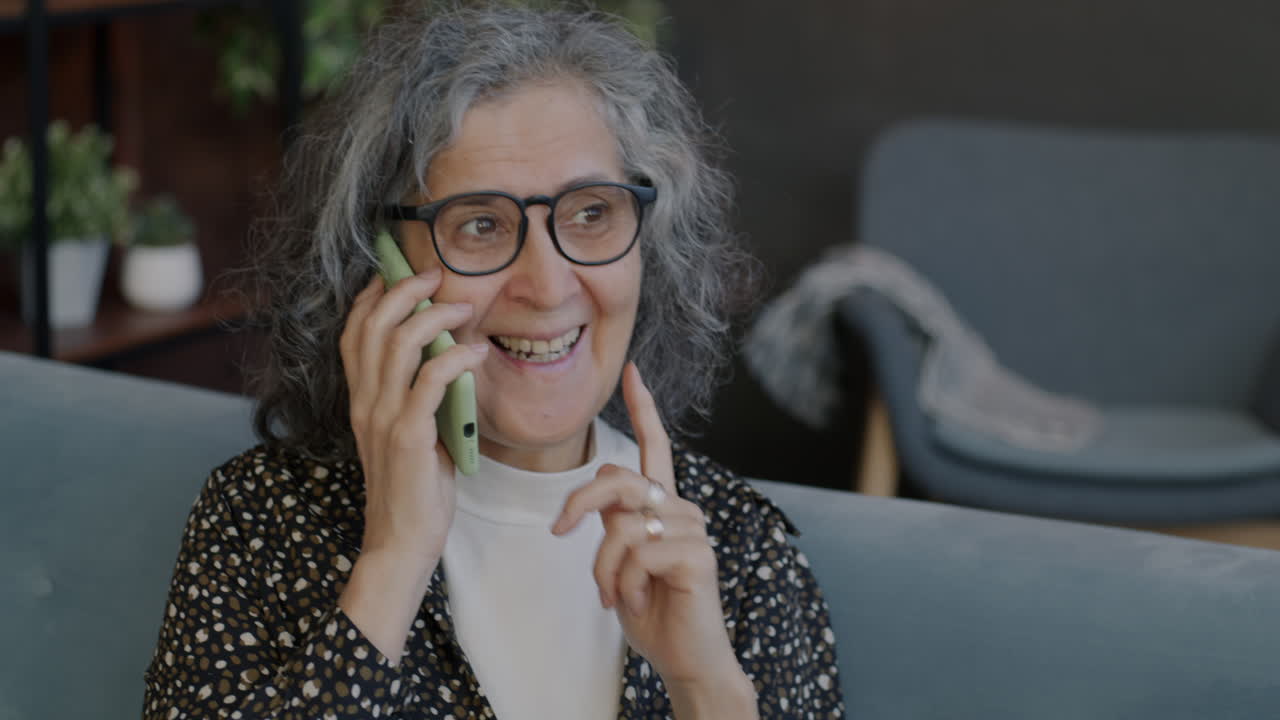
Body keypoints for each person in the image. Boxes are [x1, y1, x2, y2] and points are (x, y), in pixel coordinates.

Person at [143, 4, 844, 718]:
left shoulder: (740, 548)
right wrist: (392, 563)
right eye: (481, 225)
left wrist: (706, 687)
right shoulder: (260, 521)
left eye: (592, 213)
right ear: (377, 267)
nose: (547, 286)